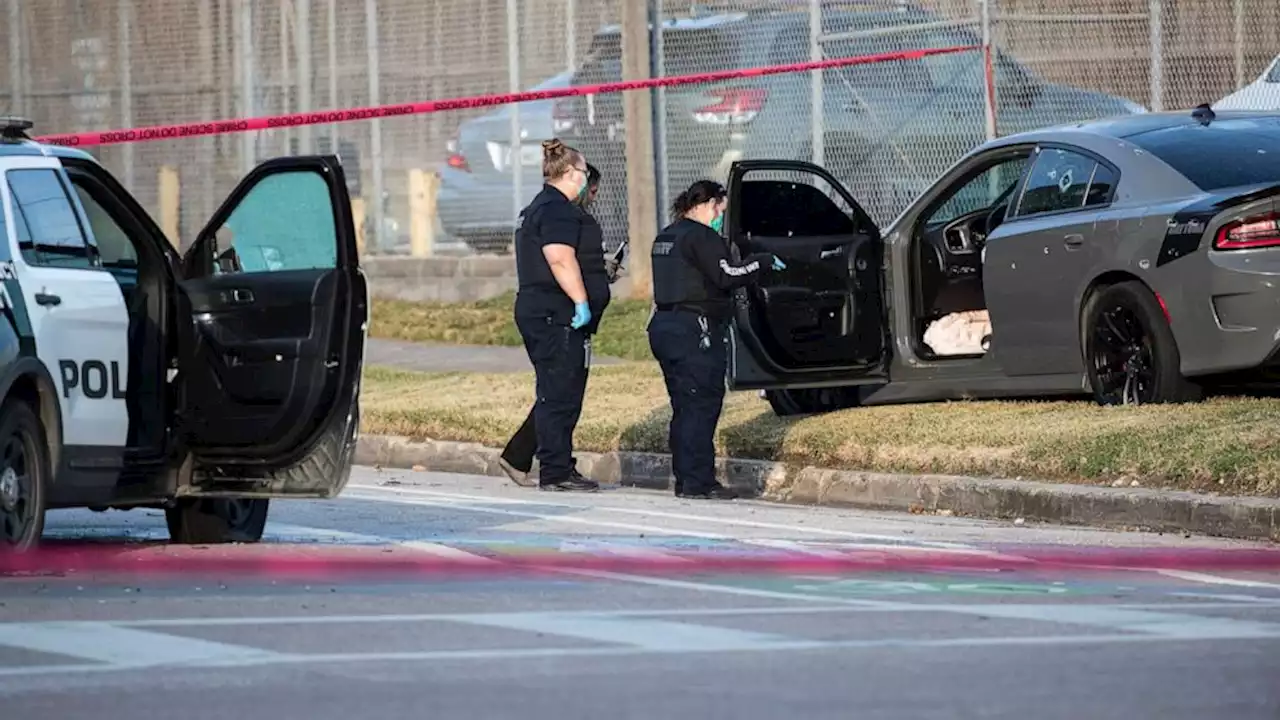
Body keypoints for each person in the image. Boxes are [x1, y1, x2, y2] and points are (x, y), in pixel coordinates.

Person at [647, 180, 785, 500]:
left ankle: (686, 477)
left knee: (684, 404)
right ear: (708, 204)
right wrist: (760, 262)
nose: (720, 216)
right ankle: (698, 482)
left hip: (665, 326)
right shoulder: (703, 237)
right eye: (719, 210)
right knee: (702, 405)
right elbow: (727, 275)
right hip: (696, 329)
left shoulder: (666, 235)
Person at [499, 162, 616, 486]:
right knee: (560, 394)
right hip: (557, 314)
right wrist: (581, 301)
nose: (592, 197)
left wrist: (598, 275)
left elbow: (565, 260)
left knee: (558, 391)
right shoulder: (557, 211)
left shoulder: (544, 210)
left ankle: (519, 455)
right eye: (590, 188)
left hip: (552, 311)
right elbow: (559, 260)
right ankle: (556, 469)